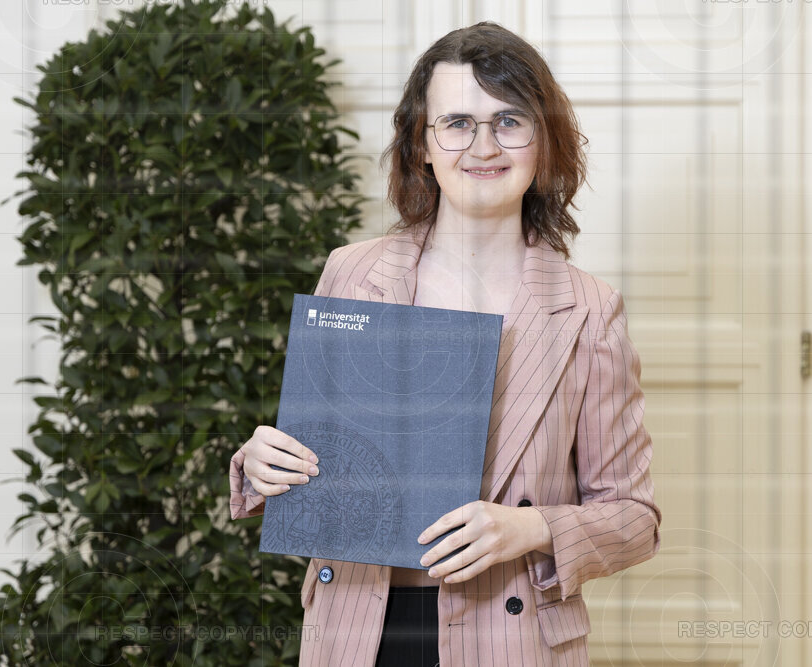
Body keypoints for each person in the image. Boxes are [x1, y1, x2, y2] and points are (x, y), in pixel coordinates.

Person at [230, 21, 661, 667]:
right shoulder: (350, 272)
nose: (483, 145)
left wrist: (531, 526)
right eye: (457, 122)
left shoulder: (590, 311)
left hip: (511, 637)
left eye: (509, 121)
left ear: (543, 141)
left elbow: (635, 518)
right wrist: (261, 464)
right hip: (355, 627)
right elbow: (320, 454)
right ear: (422, 144)